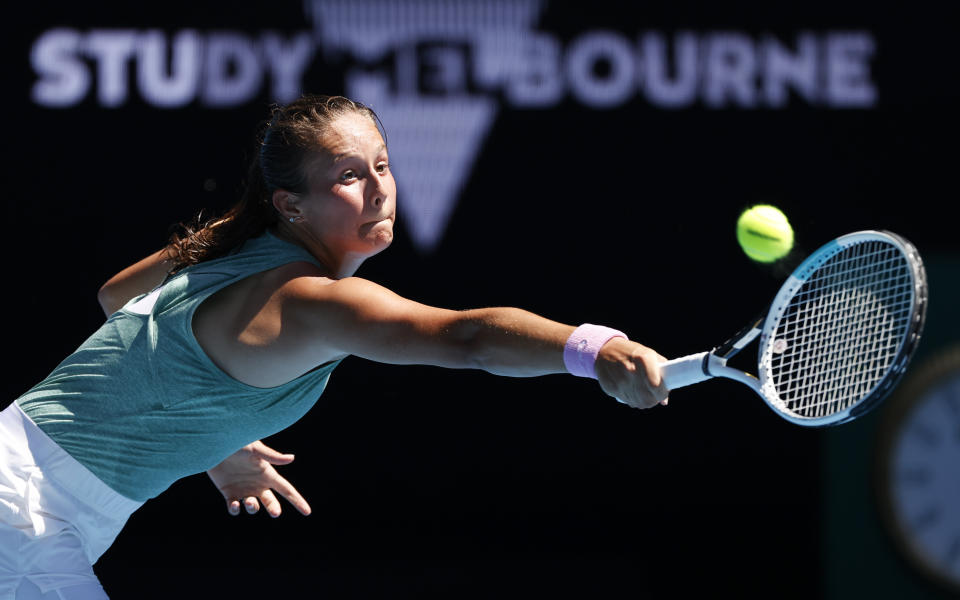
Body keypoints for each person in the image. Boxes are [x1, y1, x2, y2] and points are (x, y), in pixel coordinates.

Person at [0, 94, 669, 599]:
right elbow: (465, 337)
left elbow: (116, 297)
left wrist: (219, 446)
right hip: (23, 504)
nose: (379, 188)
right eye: (349, 176)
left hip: (38, 490)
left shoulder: (237, 249)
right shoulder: (312, 301)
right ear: (291, 205)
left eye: (381, 164)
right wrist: (595, 349)